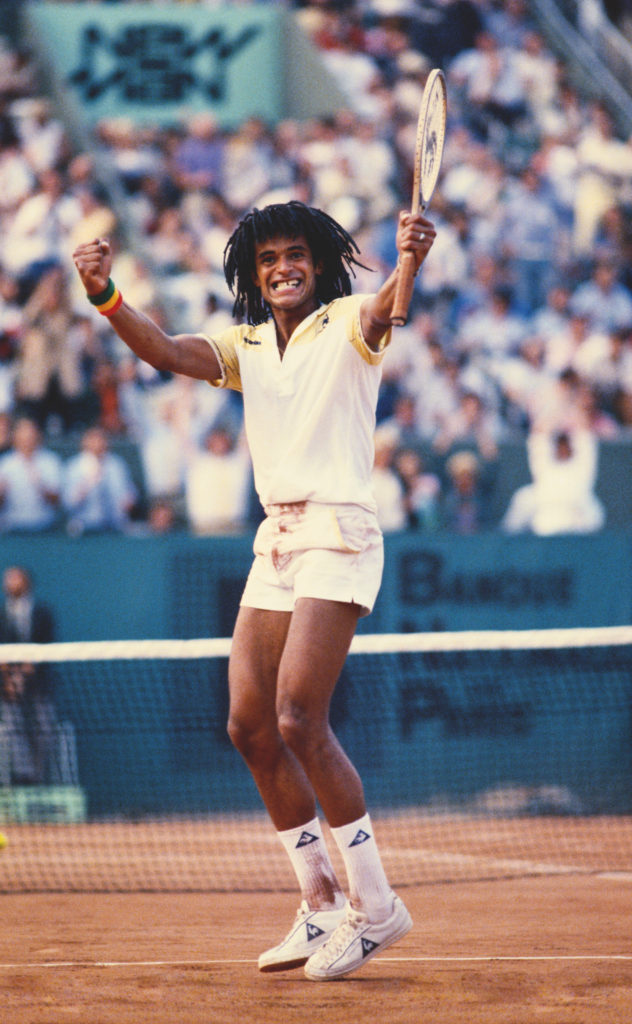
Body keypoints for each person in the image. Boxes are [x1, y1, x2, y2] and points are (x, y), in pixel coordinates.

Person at [73, 199, 434, 980]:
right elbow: (166, 351)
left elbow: (387, 309)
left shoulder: (348, 322)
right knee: (248, 724)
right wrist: (105, 294)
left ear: (319, 262)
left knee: (300, 715)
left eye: (295, 254)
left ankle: (376, 907)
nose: (282, 268)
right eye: (268, 259)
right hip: (277, 539)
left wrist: (410, 259)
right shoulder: (243, 345)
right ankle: (321, 901)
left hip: (338, 531)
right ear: (253, 273)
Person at [0, 565, 57, 785]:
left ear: (26, 582)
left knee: (45, 726)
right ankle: (25, 774)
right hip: (8, 684)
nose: (9, 583)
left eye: (15, 579)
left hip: (39, 682)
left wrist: (24, 674)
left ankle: (37, 774)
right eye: (7, 579)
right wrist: (9, 679)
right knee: (12, 725)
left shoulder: (42, 613)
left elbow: (45, 647)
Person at [62, 425, 138, 534]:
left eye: (102, 439)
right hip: (85, 526)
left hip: (115, 525)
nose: (98, 443)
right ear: (85, 442)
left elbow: (130, 491)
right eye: (93, 439)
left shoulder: (116, 464)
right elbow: (68, 503)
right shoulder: (74, 466)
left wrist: (129, 500)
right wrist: (88, 484)